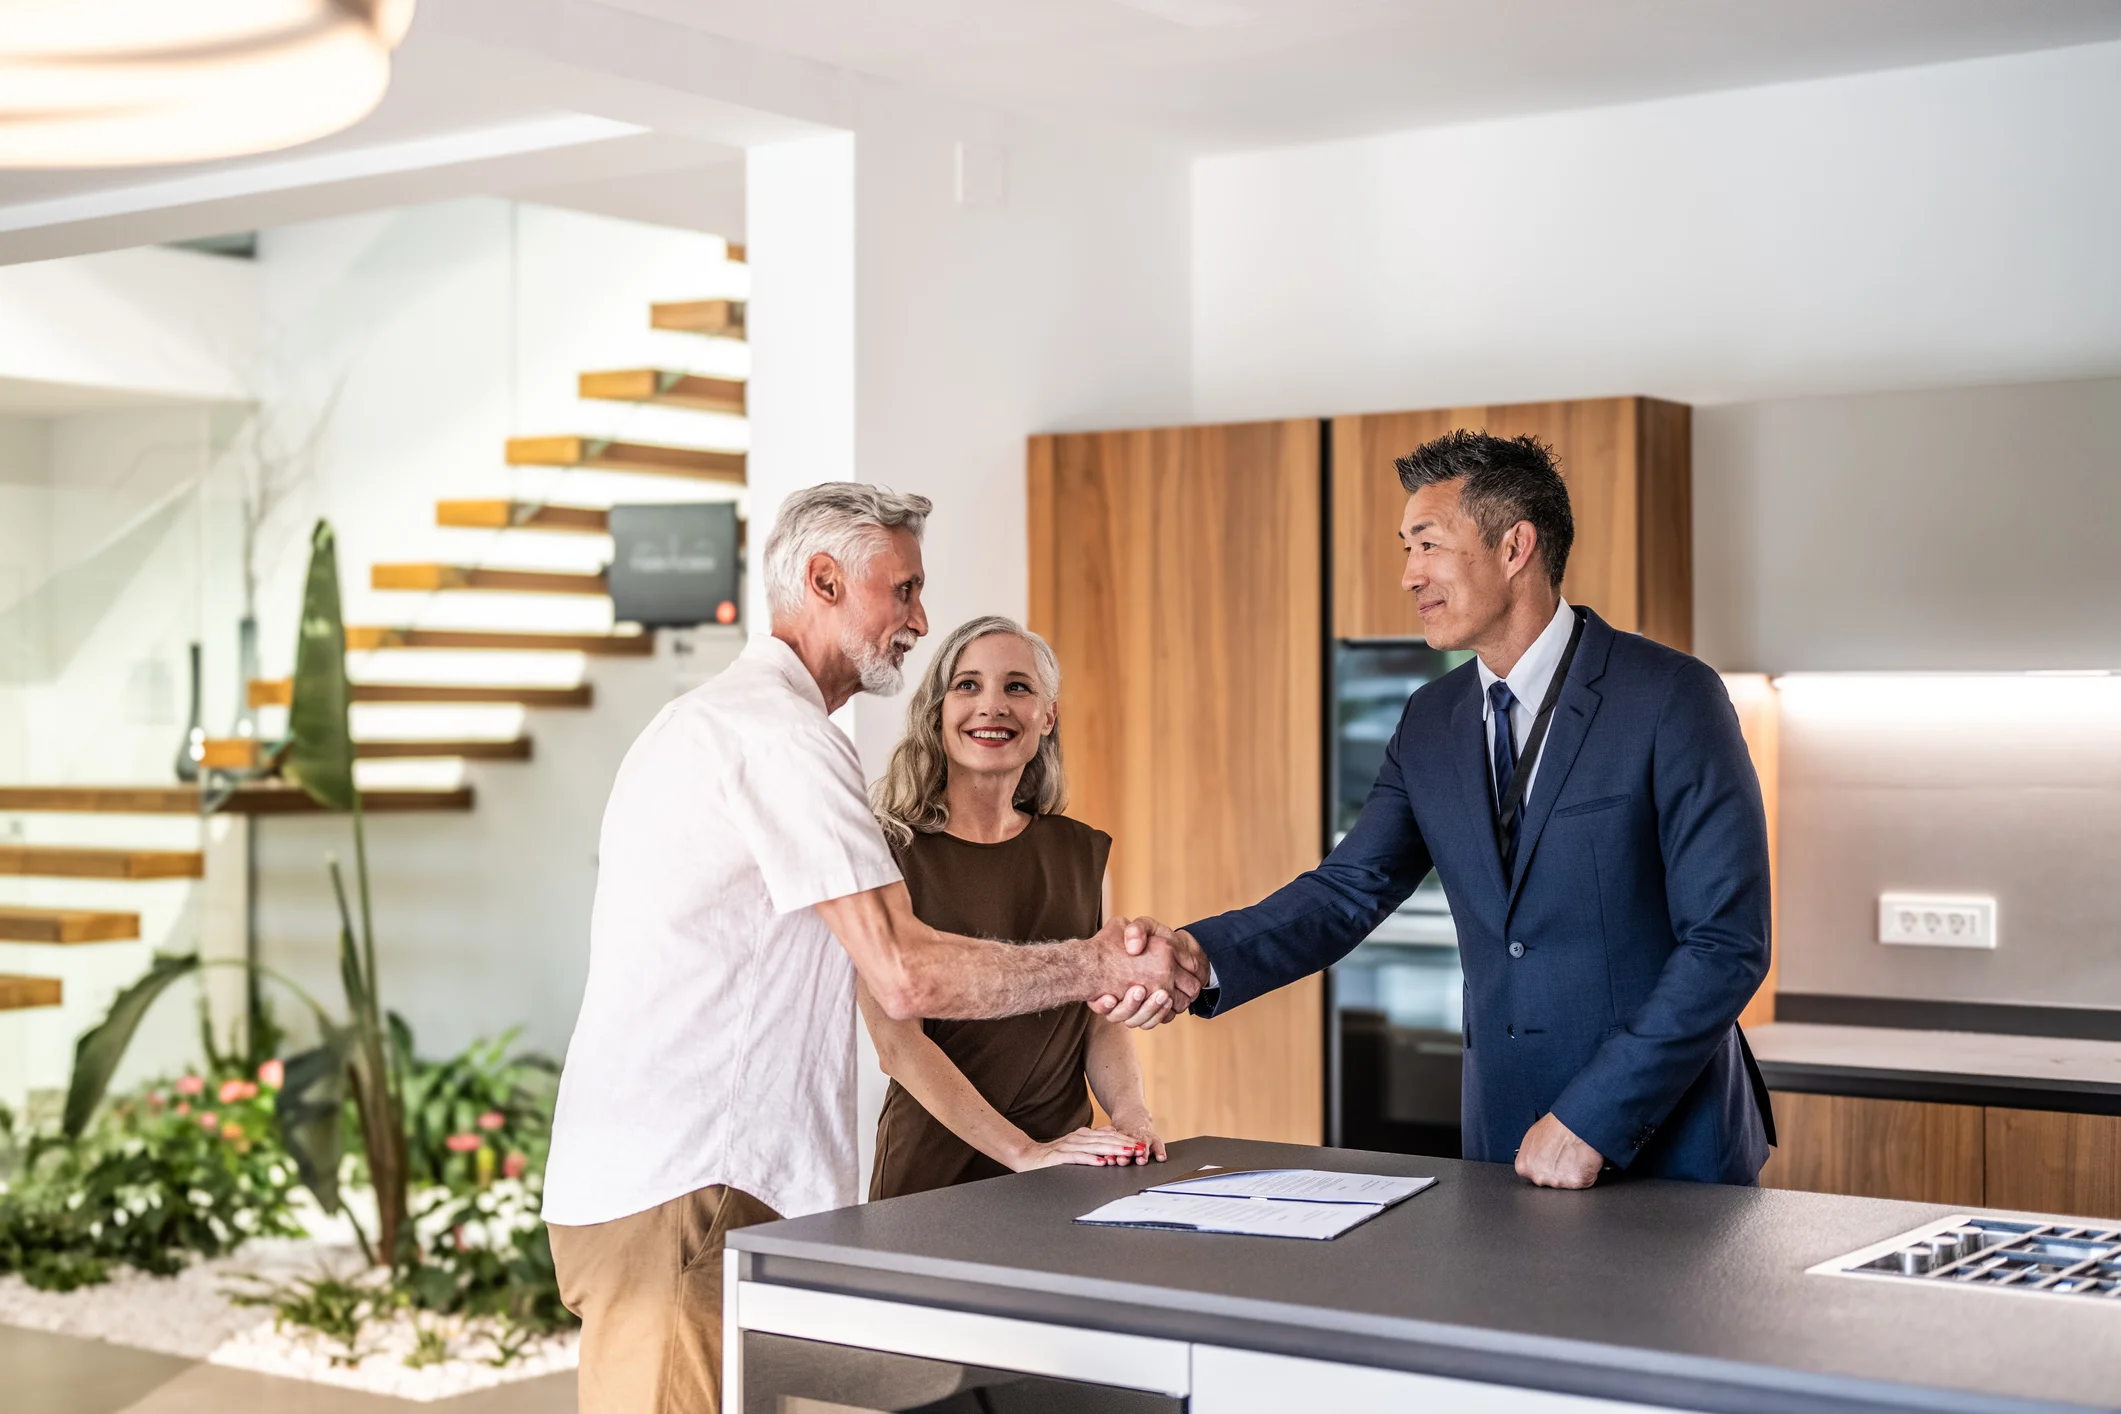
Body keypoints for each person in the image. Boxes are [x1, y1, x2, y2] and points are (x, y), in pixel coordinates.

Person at [542, 484, 1204, 1414]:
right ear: (822, 580)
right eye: (903, 592)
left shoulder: (738, 726)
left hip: (695, 1187)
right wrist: (1103, 964)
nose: (917, 621)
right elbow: (905, 974)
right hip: (692, 1190)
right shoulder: (776, 739)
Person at [1103, 430, 1775, 1189]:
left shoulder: (1669, 697)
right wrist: (1197, 954)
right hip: (1504, 1141)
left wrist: (1594, 1115)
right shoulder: (1432, 719)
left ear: (1515, 546)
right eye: (1404, 549)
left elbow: (1725, 942)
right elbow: (1346, 890)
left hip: (1669, 1145)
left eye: (1427, 545)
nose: (1407, 576)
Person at [863, 615, 1166, 1200]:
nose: (992, 705)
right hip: (933, 1176)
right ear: (939, 711)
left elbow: (1099, 1019)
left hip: (1068, 1170)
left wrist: (1131, 1117)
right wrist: (1024, 1153)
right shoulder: (888, 852)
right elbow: (896, 1044)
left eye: (1018, 687)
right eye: (968, 685)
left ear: (1047, 716)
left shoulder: (1083, 851)